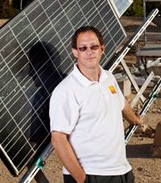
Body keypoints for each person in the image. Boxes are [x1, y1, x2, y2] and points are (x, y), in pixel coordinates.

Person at [50, 26, 142, 183]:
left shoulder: (109, 78)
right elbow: (58, 138)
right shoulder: (66, 90)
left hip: (122, 171)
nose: (89, 51)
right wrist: (81, 179)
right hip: (91, 174)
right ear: (75, 52)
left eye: (93, 47)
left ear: (102, 49)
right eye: (83, 48)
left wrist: (135, 120)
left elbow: (122, 104)